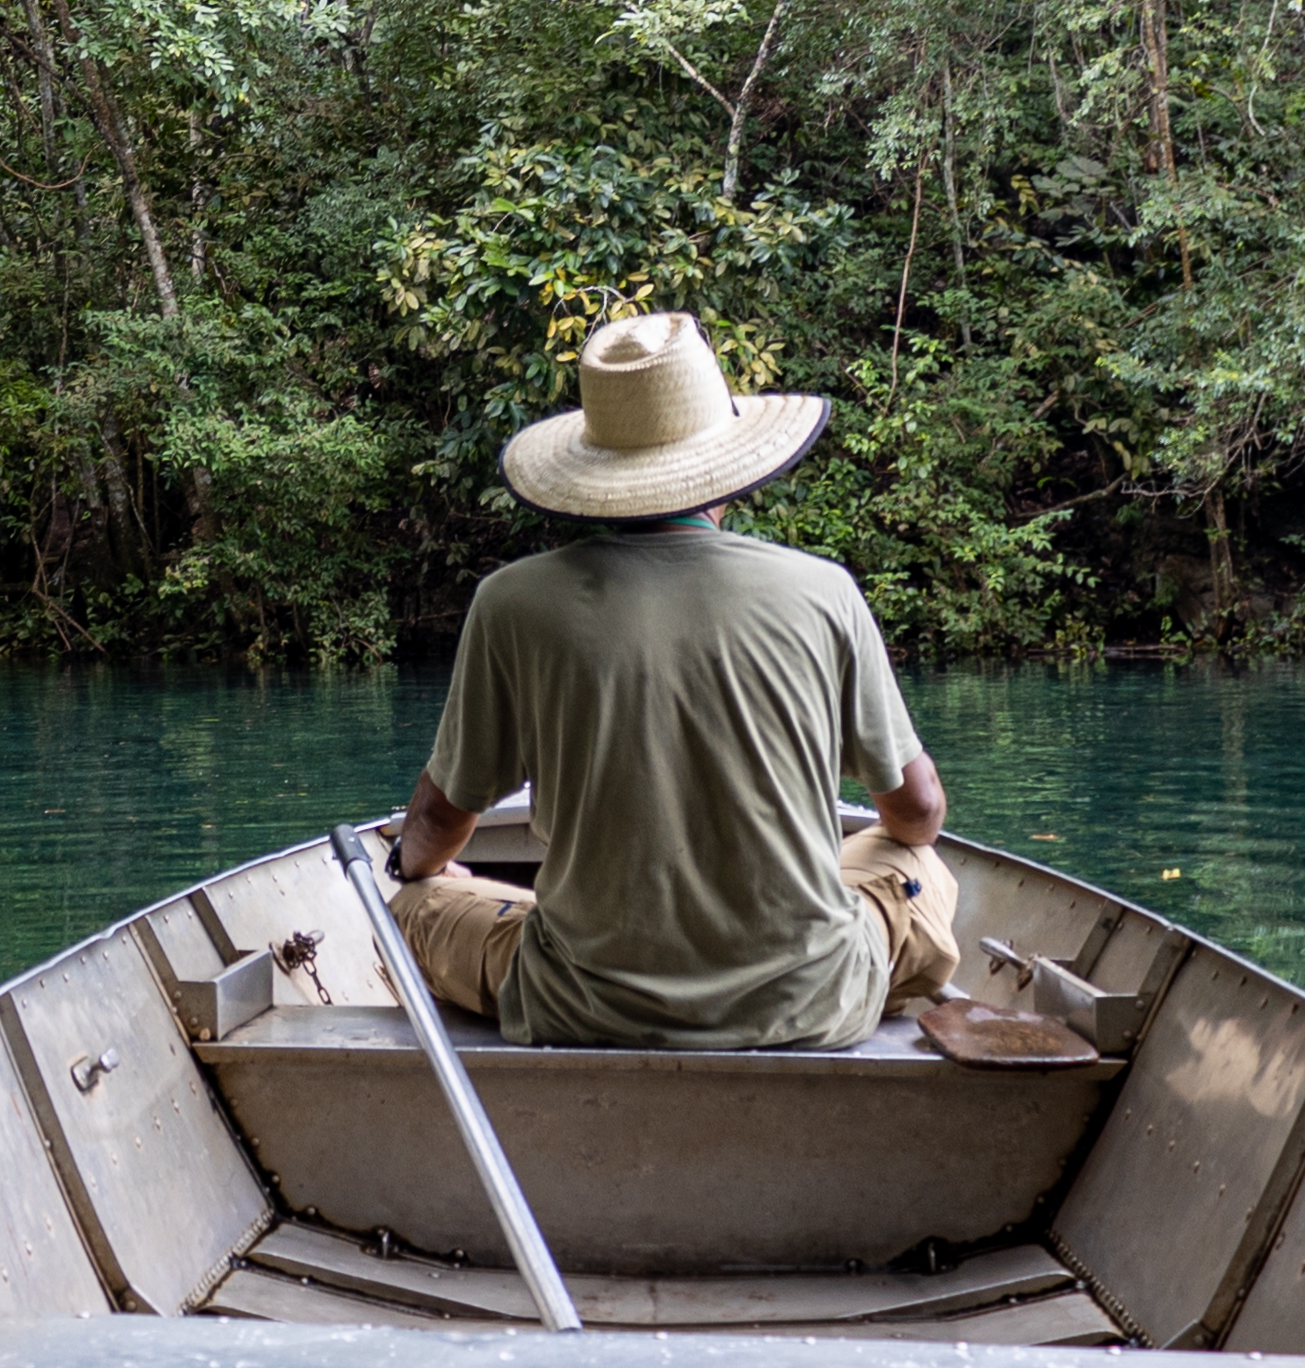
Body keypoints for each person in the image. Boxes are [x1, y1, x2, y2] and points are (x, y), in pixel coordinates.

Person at [383, 310, 956, 1049]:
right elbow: (917, 811)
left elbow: (438, 822)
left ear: (596, 463)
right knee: (917, 865)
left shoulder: (512, 602)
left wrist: (414, 868)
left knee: (415, 901)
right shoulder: (824, 592)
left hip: (581, 1005)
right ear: (725, 462)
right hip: (813, 1002)